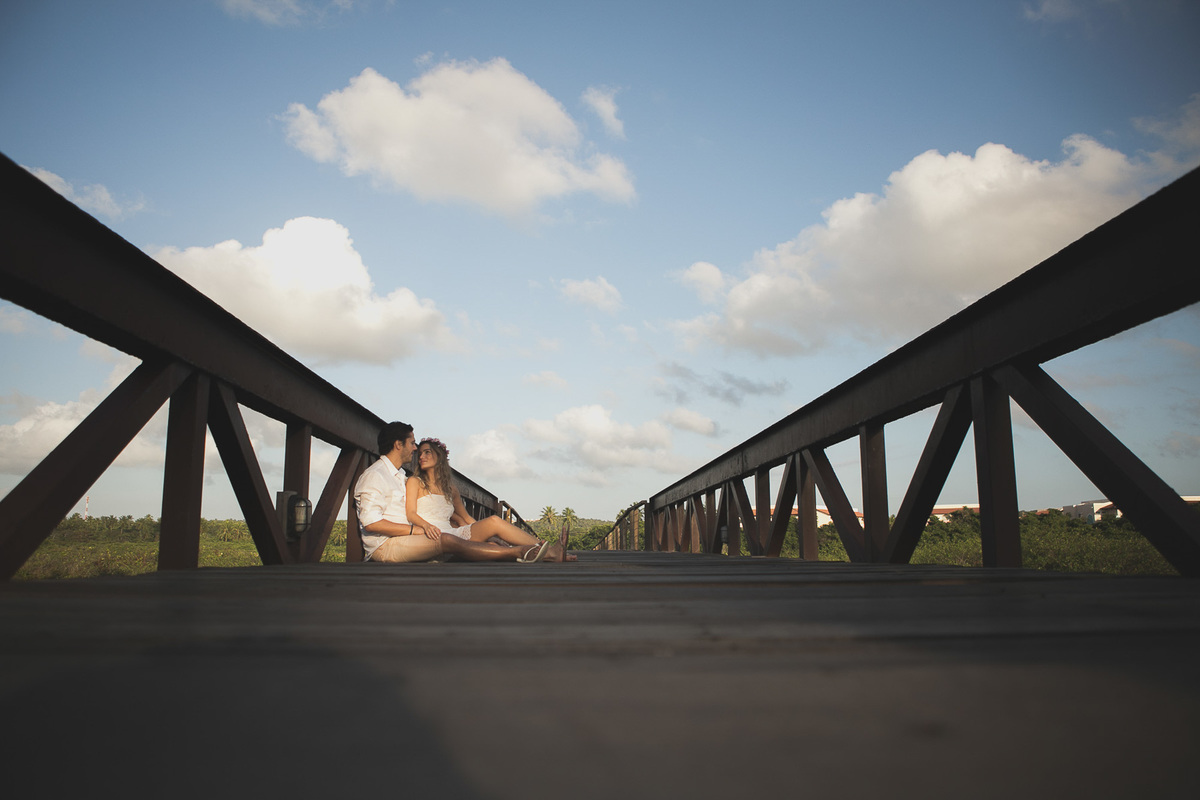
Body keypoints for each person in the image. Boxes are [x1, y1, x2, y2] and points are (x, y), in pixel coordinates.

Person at [353, 421, 566, 563]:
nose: (416, 449)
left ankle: (547, 551)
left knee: (485, 526)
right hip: (385, 546)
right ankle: (518, 552)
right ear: (398, 444)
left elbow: (459, 516)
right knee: (446, 539)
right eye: (412, 443)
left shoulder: (399, 477)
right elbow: (372, 523)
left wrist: (463, 525)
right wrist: (416, 530)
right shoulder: (376, 475)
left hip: (412, 538)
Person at [407, 437, 577, 562]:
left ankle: (546, 550)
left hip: (454, 534)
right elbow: (411, 514)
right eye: (420, 453)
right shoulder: (415, 482)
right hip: (431, 536)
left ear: (440, 456)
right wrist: (426, 526)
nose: (421, 456)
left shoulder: (451, 489)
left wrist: (487, 535)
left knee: (494, 523)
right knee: (495, 549)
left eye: (427, 452)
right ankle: (551, 553)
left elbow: (467, 519)